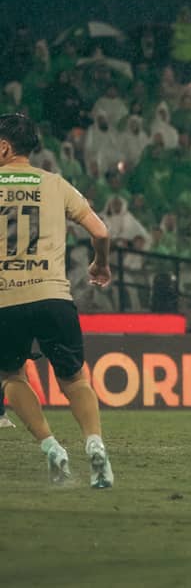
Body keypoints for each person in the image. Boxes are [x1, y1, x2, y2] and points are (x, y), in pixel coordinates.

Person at [0, 113, 114, 487]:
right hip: (52, 296)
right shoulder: (56, 184)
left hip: (5, 300)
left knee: (11, 377)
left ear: (4, 147)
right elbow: (101, 231)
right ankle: (95, 444)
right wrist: (99, 263)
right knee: (75, 379)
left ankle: (52, 448)